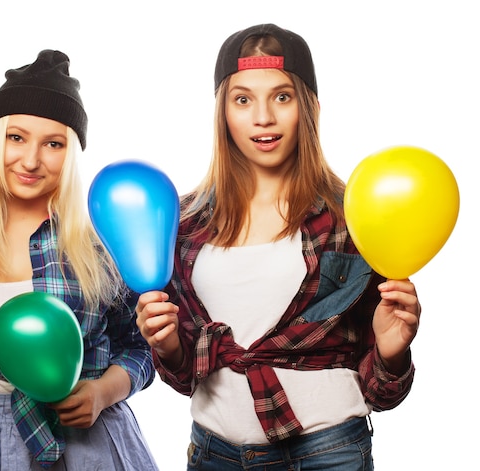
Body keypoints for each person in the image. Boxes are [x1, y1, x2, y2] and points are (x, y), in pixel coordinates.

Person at [136, 24, 421, 470]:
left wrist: (392, 351)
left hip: (327, 453)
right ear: (223, 112)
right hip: (214, 454)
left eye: (282, 97)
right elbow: (185, 373)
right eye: (243, 99)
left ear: (309, 108)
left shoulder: (352, 217)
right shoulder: (184, 221)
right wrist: (167, 345)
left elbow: (384, 392)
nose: (262, 117)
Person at [0, 49, 158, 471]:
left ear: (71, 153)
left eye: (53, 143)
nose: (31, 159)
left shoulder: (98, 245)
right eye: (16, 137)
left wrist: (101, 393)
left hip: (92, 445)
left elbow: (140, 348)